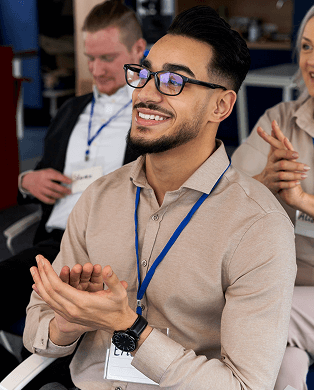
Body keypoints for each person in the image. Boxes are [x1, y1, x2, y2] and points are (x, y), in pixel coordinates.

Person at [24, 5, 297, 390]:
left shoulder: (258, 227)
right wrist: (72, 320)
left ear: (221, 106)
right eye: (145, 74)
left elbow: (246, 387)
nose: (146, 93)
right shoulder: (100, 197)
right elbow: (37, 331)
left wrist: (129, 327)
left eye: (173, 81)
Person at [0, 0, 145, 338]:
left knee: (63, 326)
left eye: (107, 58)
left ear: (139, 49)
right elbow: (40, 171)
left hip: (112, 252)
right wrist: (27, 180)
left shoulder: (149, 116)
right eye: (90, 58)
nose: (96, 70)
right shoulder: (69, 111)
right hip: (54, 247)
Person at [232, 6, 314, 390]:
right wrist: (263, 182)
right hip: (283, 279)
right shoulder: (279, 120)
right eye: (308, 47)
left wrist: (303, 201)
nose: (311, 60)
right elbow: (222, 199)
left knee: (250, 312)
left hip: (286, 294)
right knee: (283, 365)